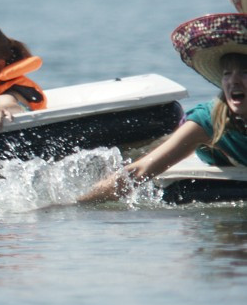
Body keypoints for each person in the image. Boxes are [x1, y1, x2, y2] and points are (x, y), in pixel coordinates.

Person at [79, 13, 247, 202]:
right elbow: (139, 170)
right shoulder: (209, 120)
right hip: (195, 144)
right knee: (141, 152)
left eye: (244, 72)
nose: (233, 81)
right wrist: (78, 204)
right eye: (227, 73)